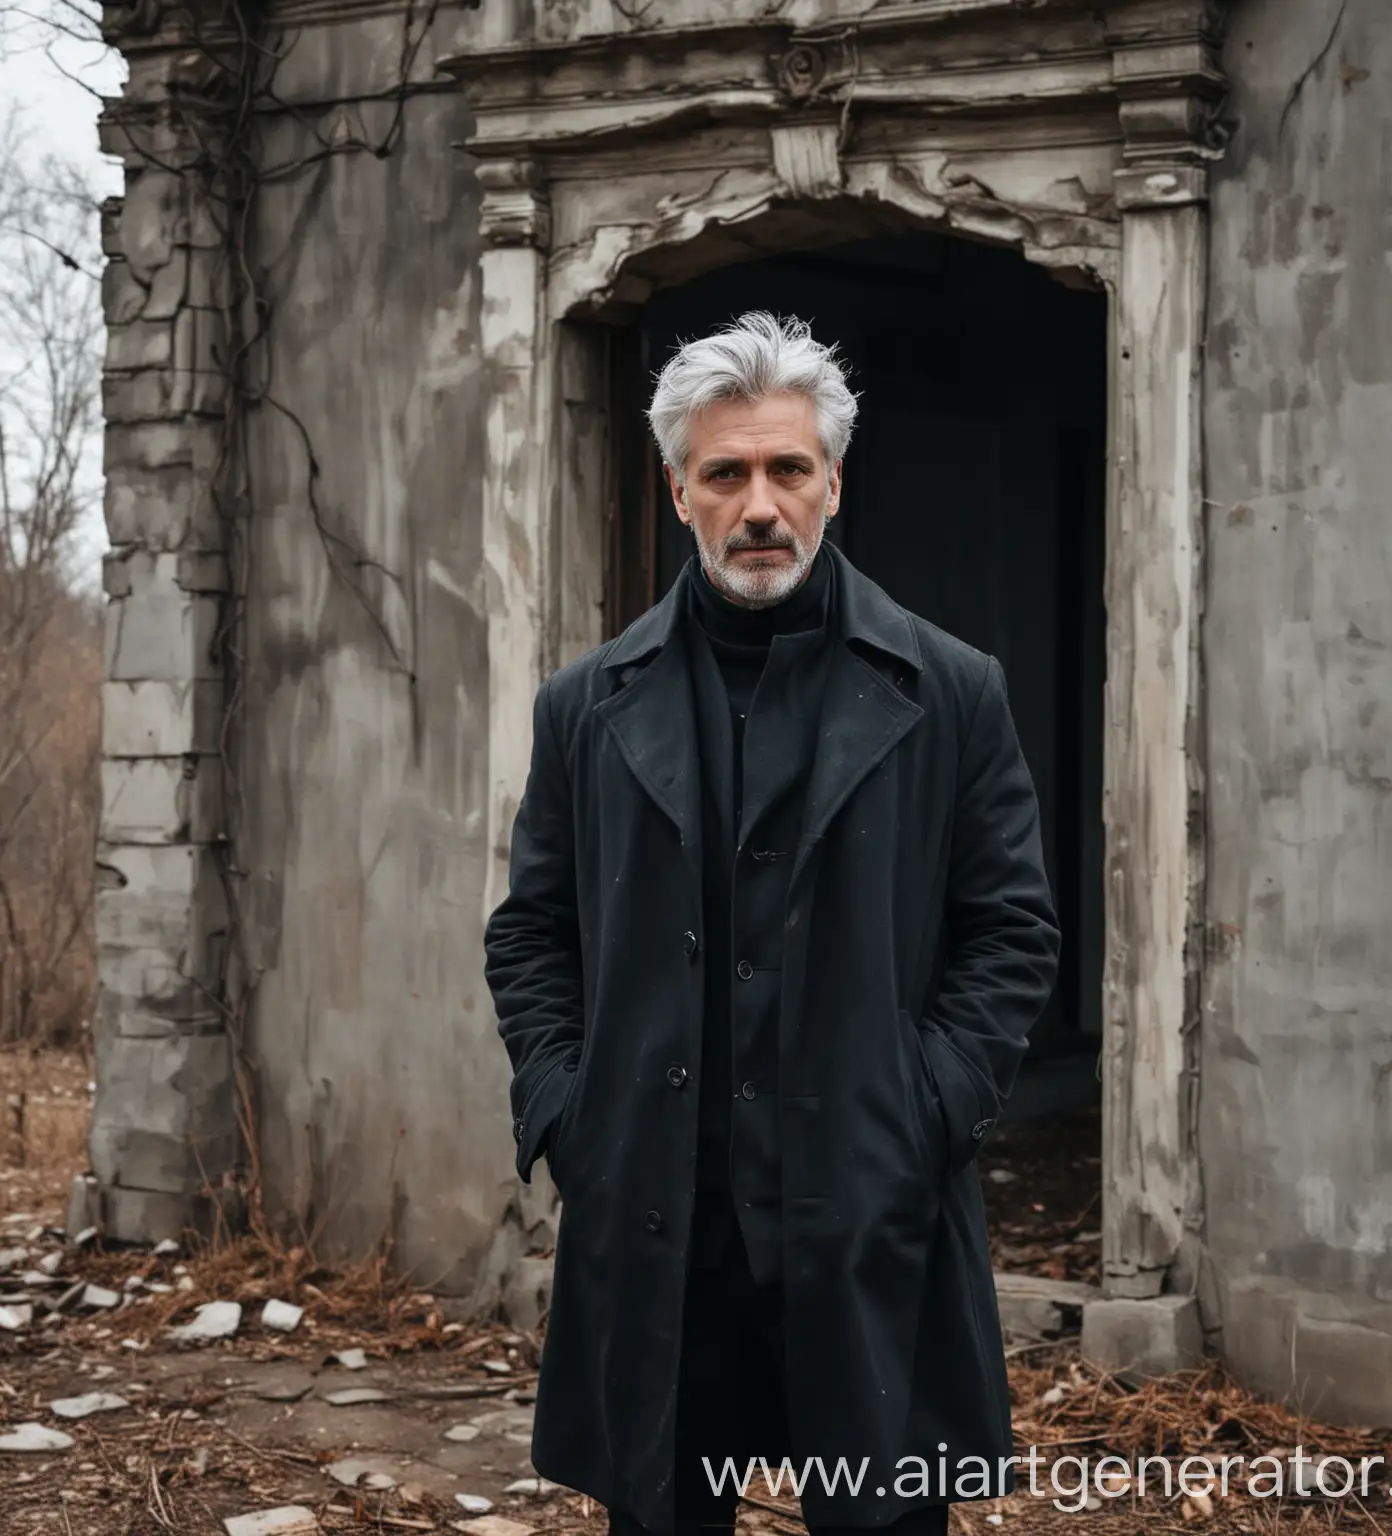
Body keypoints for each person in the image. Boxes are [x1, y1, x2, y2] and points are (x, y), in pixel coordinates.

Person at [484, 311, 1060, 1536]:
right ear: (679, 489)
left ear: (834, 483)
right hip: (658, 1227)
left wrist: (926, 1108)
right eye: (726, 472)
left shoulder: (951, 691)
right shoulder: (585, 706)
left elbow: (1011, 932)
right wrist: (570, 1115)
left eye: (788, 469)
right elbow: (532, 933)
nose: (760, 505)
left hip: (867, 1214)